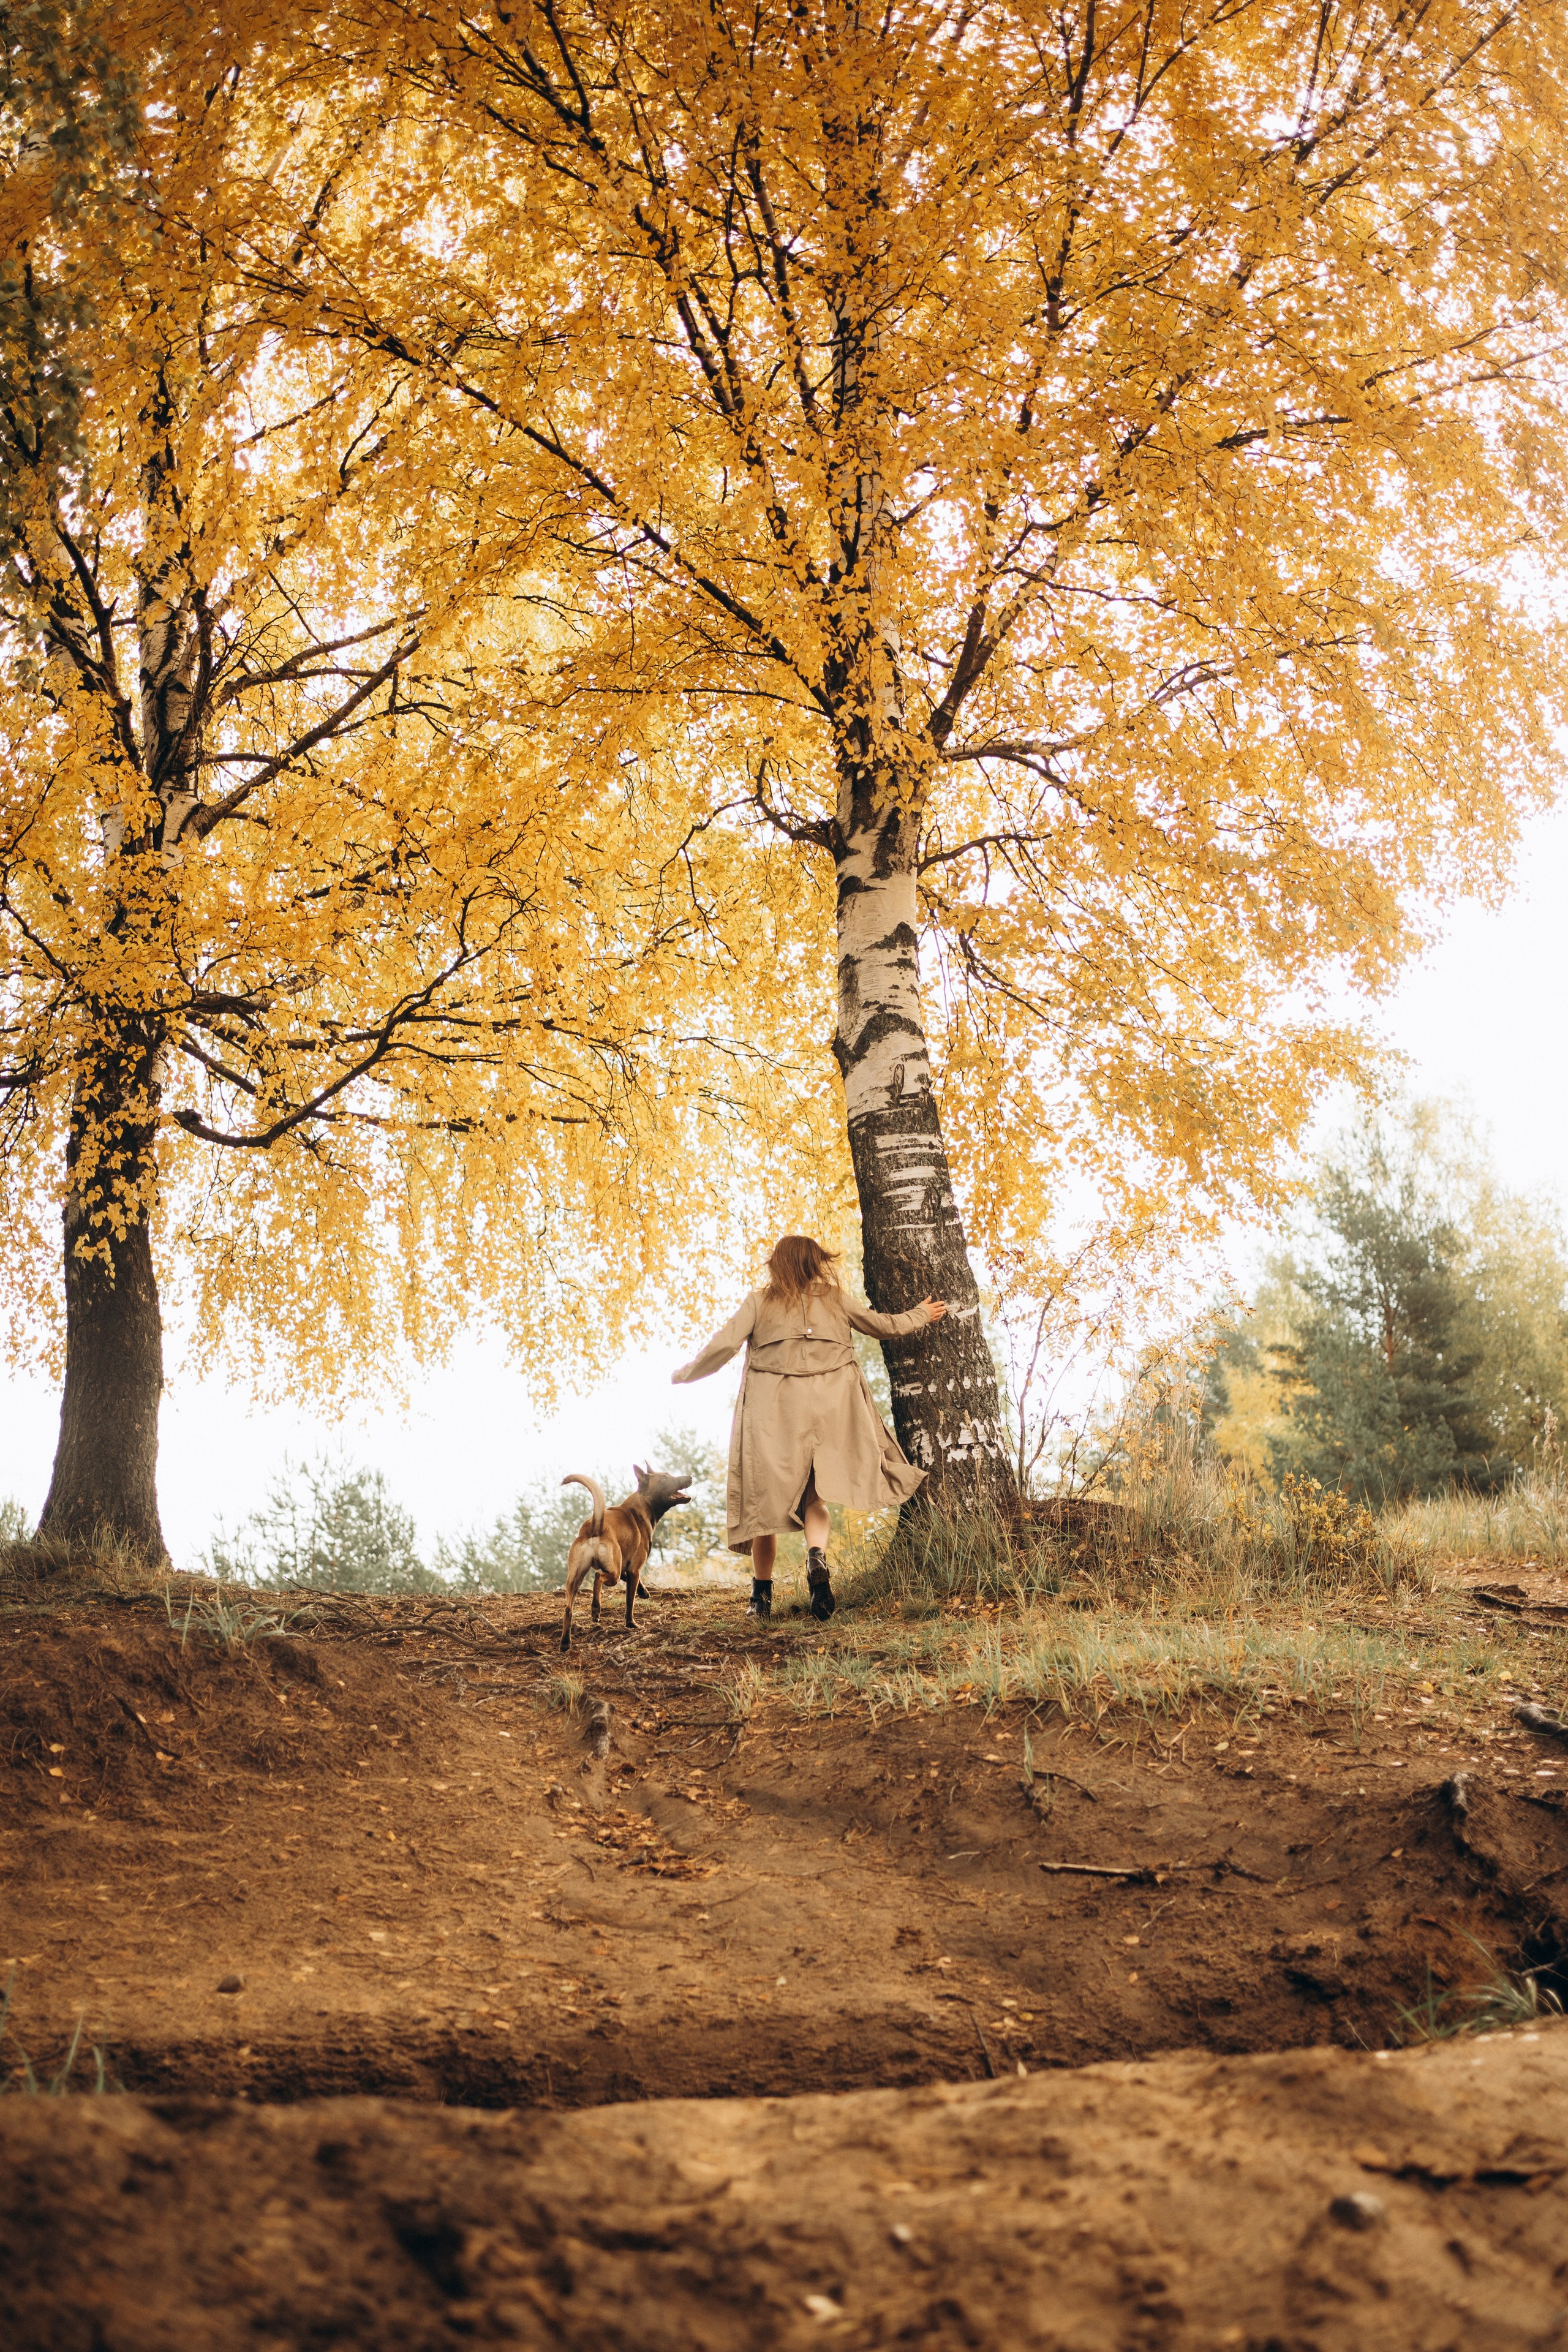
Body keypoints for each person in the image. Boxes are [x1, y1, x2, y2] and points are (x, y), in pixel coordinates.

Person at [671, 1235, 948, 1621]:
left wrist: (685, 1374)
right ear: (814, 1263)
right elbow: (883, 1326)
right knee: (815, 1499)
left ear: (778, 1264)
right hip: (832, 1407)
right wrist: (920, 1313)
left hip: (774, 1414)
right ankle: (816, 1558)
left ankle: (761, 1599)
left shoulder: (759, 1302)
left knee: (764, 1508)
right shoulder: (834, 1299)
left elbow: (725, 1345)